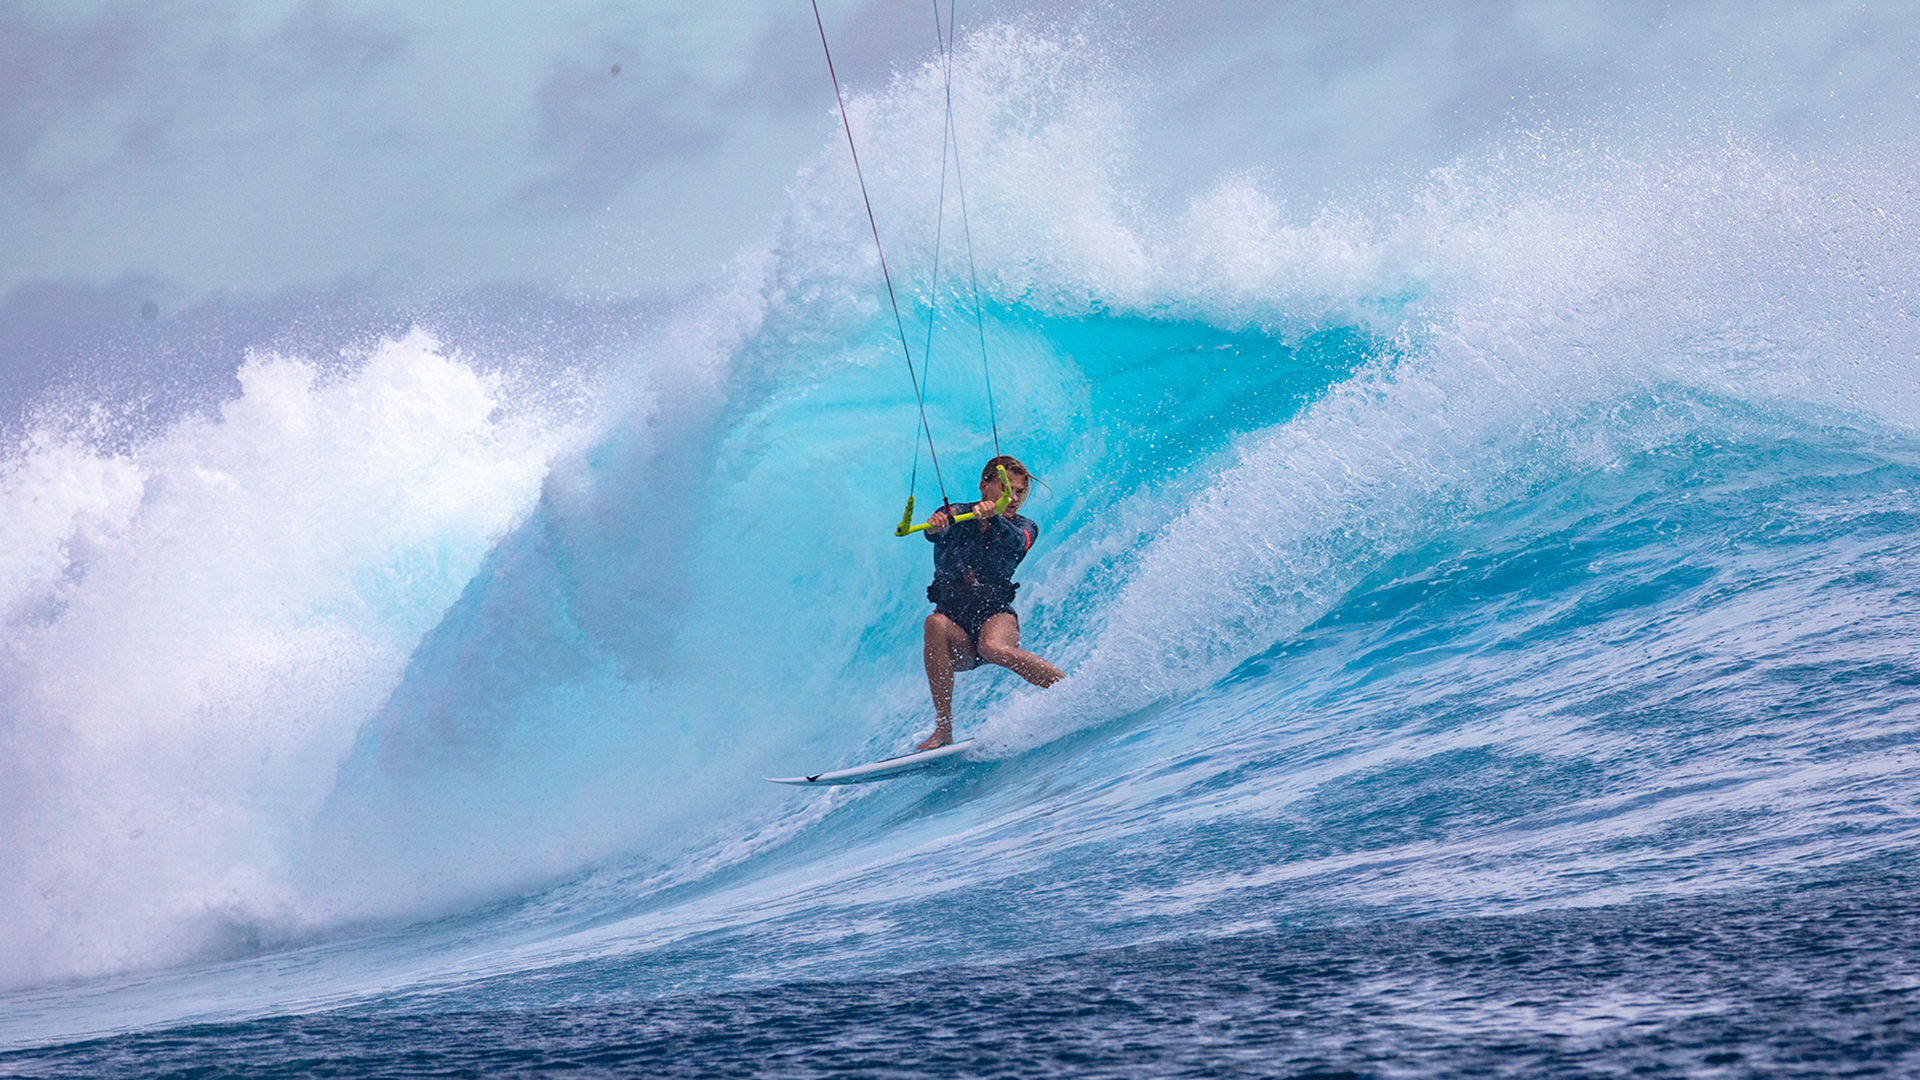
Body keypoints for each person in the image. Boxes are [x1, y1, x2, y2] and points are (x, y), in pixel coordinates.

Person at [917, 454, 1064, 750]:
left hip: (995, 618)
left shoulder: (1025, 526)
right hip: (956, 634)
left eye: (1020, 492)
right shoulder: (956, 513)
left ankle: (1070, 691)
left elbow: (1018, 542)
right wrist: (934, 526)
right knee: (933, 622)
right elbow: (935, 533)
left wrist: (993, 516)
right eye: (1006, 488)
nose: (1013, 497)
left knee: (992, 647)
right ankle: (944, 730)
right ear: (985, 486)